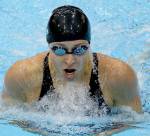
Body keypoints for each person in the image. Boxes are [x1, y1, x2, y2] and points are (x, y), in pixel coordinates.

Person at [2, 5, 142, 113]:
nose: (70, 60)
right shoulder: (21, 76)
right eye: (59, 49)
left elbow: (133, 122)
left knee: (139, 63)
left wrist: (102, 135)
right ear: (49, 47)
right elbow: (9, 119)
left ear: (89, 45)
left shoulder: (119, 76)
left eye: (80, 49)